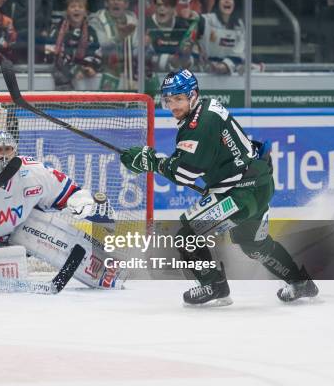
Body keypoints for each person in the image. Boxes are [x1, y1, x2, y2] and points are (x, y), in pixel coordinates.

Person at [120, 69, 319, 306]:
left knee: (186, 237)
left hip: (240, 193)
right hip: (258, 181)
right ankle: (300, 282)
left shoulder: (197, 127)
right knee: (254, 244)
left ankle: (214, 285)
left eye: (179, 99)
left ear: (193, 95)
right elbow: (212, 155)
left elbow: (184, 173)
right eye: (169, 99)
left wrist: (150, 161)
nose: (173, 105)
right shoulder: (209, 106)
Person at [0, 131, 124, 292]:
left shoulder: (33, 172)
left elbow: (70, 194)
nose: (5, 155)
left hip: (17, 234)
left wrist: (88, 206)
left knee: (41, 224)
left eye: (9, 149)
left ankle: (104, 271)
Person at [43, 0, 102, 91]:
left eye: (80, 7)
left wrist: (90, 66)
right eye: (73, 6)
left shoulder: (91, 31)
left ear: (86, 12)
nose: (76, 9)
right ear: (67, 11)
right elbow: (51, 54)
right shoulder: (56, 30)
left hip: (85, 78)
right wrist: (75, 69)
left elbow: (96, 52)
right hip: (62, 77)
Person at [89, 0, 139, 90]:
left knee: (146, 71)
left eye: (119, 0)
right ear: (106, 3)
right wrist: (119, 37)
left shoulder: (133, 21)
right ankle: (105, 104)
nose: (116, 2)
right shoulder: (96, 20)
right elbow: (102, 46)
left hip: (129, 65)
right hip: (104, 64)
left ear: (126, 4)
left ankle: (152, 102)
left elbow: (136, 46)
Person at [196, 0, 245, 75]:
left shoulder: (239, 25)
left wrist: (225, 65)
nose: (227, 1)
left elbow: (240, 52)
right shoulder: (207, 20)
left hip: (230, 69)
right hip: (208, 71)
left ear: (234, 4)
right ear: (218, 3)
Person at [145, 0, 196, 73]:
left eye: (166, 5)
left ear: (174, 9)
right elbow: (138, 57)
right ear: (154, 7)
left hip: (179, 74)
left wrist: (186, 56)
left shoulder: (183, 25)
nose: (161, 8)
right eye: (159, 5)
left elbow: (194, 58)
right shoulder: (145, 24)